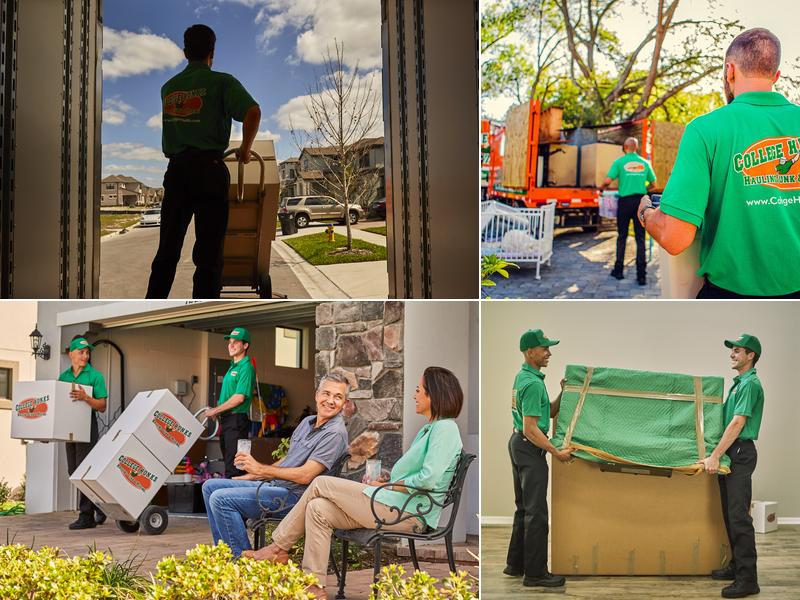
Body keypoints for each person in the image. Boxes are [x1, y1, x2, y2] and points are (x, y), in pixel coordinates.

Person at [242, 366, 466, 599]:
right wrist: (387, 482)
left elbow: (428, 479)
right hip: (394, 504)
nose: (414, 395)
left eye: (419, 390)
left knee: (321, 483)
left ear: (434, 394)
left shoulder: (445, 429)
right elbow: (418, 475)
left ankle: (278, 548)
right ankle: (314, 586)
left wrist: (386, 487)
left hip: (410, 512)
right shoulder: (429, 430)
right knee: (317, 508)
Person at [637, 28, 800, 298]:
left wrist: (646, 212)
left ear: (730, 70)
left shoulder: (705, 129)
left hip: (730, 301)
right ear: (775, 76)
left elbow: (675, 238)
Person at [146, 23, 261, 299]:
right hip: (210, 171)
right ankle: (203, 305)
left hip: (177, 172)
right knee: (209, 255)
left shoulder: (168, 88)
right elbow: (252, 112)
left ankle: (154, 302)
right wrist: (245, 150)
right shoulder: (222, 82)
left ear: (185, 52)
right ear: (213, 52)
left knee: (168, 250)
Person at [201, 374, 350, 557]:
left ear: (345, 403)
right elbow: (289, 458)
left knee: (221, 499)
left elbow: (306, 476)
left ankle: (240, 563)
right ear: (317, 395)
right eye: (326, 394)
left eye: (338, 397)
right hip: (277, 487)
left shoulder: (335, 433)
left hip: (297, 499)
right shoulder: (307, 422)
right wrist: (256, 475)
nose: (330, 401)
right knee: (209, 487)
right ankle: (225, 554)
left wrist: (261, 469)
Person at [505, 329, 573, 588]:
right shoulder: (532, 384)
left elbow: (549, 414)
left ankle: (515, 565)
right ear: (530, 352)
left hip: (518, 444)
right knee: (537, 513)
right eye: (544, 348)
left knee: (523, 508)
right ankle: (535, 574)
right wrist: (556, 452)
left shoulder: (526, 378)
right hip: (528, 446)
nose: (549, 353)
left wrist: (563, 393)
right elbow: (531, 428)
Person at [700, 334, 764, 599]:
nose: (732, 354)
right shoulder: (738, 384)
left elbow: (737, 424)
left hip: (739, 452)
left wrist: (715, 456)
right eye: (732, 351)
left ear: (751, 356)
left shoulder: (749, 384)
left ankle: (748, 580)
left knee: (739, 517)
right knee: (730, 514)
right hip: (731, 453)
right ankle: (737, 567)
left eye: (737, 351)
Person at [59, 336, 108, 530]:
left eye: (87, 352)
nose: (85, 356)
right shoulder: (63, 377)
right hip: (69, 427)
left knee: (82, 472)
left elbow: (102, 406)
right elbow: (58, 407)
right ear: (71, 353)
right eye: (81, 352)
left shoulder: (95, 376)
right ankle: (99, 505)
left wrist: (86, 397)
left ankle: (86, 515)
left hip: (87, 427)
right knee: (73, 471)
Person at [599, 137, 657, 285]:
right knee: (640, 238)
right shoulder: (644, 163)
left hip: (624, 203)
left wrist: (601, 189)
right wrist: (644, 191)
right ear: (636, 148)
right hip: (640, 203)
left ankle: (618, 271)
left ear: (625, 147)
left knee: (622, 236)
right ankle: (641, 275)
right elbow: (654, 184)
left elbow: (607, 181)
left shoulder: (619, 162)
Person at [205, 327, 256, 478]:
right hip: (227, 420)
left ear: (245, 345)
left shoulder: (246, 368)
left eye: (236, 342)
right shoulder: (232, 367)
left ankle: (233, 500)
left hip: (237, 421)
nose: (231, 345)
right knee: (230, 463)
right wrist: (219, 411)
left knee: (235, 467)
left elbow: (239, 397)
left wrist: (215, 410)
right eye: (230, 342)